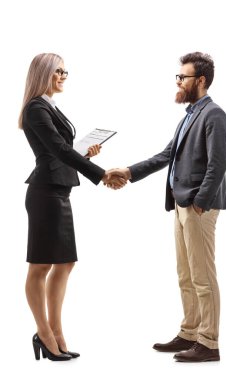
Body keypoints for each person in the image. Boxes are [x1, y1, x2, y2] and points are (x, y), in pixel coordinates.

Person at [108, 52, 226, 362]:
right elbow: (167, 156)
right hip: (180, 204)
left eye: (182, 77)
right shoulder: (189, 115)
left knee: (203, 276)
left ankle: (209, 343)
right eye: (177, 76)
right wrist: (129, 171)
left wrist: (200, 202)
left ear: (200, 81)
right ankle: (190, 332)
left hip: (198, 206)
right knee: (185, 273)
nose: (177, 81)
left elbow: (217, 165)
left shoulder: (214, 115)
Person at [19, 53, 125, 361]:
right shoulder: (36, 108)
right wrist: (101, 173)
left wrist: (86, 157)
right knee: (40, 265)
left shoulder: (49, 106)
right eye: (58, 71)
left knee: (65, 263)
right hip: (45, 194)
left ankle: (56, 331)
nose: (64, 75)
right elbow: (58, 150)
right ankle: (46, 333)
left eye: (66, 71)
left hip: (59, 191)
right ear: (44, 73)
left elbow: (63, 152)